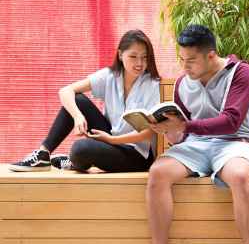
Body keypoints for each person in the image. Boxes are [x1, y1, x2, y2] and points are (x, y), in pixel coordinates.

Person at [147, 25, 249, 244]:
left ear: (211, 55)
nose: (185, 67)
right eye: (182, 60)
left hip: (235, 143)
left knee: (240, 176)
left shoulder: (240, 73)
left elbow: (231, 122)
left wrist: (184, 127)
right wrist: (170, 131)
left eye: (191, 60)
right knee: (157, 173)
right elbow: (183, 132)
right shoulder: (182, 84)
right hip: (196, 146)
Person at [9, 29, 160, 173]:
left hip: (137, 154)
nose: (139, 63)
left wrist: (111, 140)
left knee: (80, 149)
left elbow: (148, 133)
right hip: (110, 139)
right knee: (77, 99)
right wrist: (77, 116)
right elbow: (65, 91)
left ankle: (73, 162)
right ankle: (43, 154)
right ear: (120, 55)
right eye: (133, 56)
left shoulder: (152, 85)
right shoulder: (110, 76)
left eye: (144, 57)